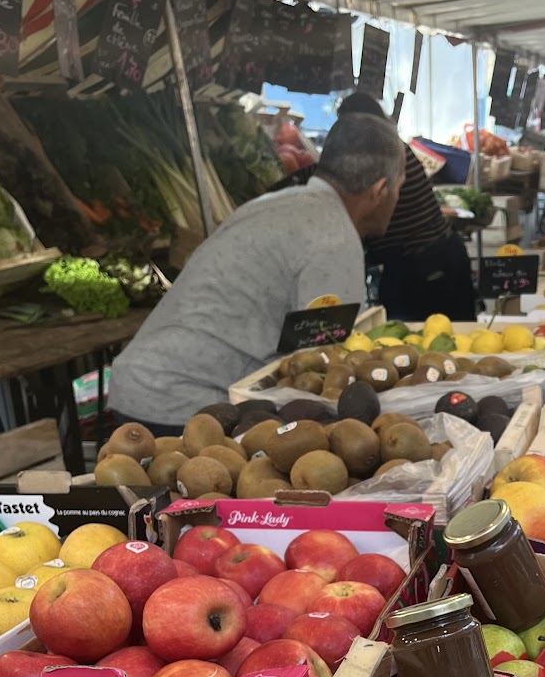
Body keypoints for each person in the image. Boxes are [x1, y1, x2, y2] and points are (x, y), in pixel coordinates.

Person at [110, 113, 405, 431]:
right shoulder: (334, 239)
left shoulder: (270, 204)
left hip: (141, 385)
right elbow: (322, 362)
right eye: (400, 187)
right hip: (184, 404)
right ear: (379, 190)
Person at [335, 91, 476, 323]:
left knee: (419, 341)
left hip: (422, 266)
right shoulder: (393, 147)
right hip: (438, 256)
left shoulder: (380, 154)